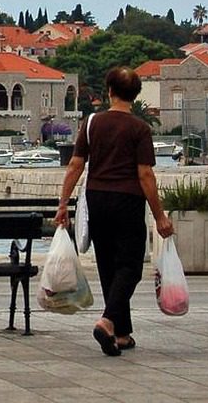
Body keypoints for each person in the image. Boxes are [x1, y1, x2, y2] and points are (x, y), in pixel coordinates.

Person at [55, 67, 174, 357]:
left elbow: (75, 165)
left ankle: (121, 334)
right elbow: (145, 174)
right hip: (128, 201)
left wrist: (62, 204)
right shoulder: (139, 129)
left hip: (97, 199)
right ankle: (108, 322)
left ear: (109, 91)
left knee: (109, 266)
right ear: (136, 94)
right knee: (130, 266)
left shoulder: (92, 123)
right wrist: (159, 215)